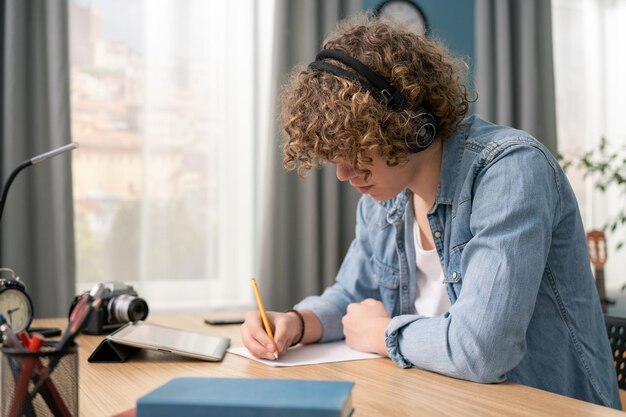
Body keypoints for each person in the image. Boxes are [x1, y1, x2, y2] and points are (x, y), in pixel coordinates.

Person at [240, 14, 621, 409]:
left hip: (547, 407)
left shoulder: (511, 170)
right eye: (336, 155)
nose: (343, 173)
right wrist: (298, 323)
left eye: (357, 150)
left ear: (409, 126)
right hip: (445, 401)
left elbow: (482, 350)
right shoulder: (386, 195)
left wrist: (383, 333)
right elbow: (353, 297)